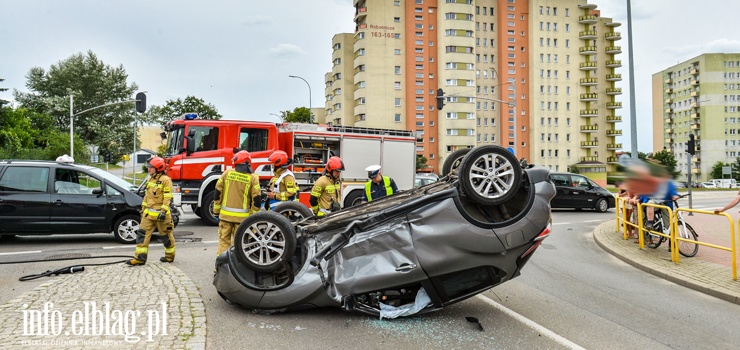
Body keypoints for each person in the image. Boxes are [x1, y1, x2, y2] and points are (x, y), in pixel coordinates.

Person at [127, 156, 176, 265]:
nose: (149, 169)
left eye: (151, 167)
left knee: (166, 237)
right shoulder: (150, 179)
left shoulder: (165, 180)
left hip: (161, 216)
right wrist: (143, 209)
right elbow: (147, 196)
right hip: (148, 215)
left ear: (158, 168)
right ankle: (140, 258)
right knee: (142, 235)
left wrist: (163, 211)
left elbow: (168, 197)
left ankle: (169, 256)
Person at [213, 151, 262, 256]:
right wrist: (253, 215)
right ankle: (236, 268)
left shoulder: (227, 173)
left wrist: (216, 211)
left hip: (225, 217)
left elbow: (217, 193)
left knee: (223, 242)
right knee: (239, 244)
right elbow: (257, 199)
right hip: (242, 220)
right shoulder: (253, 177)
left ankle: (220, 266)